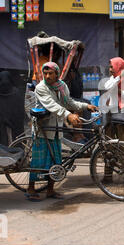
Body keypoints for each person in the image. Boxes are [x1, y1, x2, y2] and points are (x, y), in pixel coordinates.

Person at [26, 62, 97, 201]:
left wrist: (86, 106)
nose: (47, 76)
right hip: (43, 127)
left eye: (50, 73)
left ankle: (50, 190)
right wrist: (68, 115)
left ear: (57, 74)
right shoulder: (41, 88)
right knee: (38, 160)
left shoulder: (62, 86)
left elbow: (69, 102)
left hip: (56, 127)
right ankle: (30, 187)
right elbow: (52, 105)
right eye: (45, 73)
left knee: (56, 160)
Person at [0, 71, 25, 147]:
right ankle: (18, 151)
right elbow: (20, 108)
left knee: (1, 136)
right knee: (17, 135)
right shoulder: (16, 92)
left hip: (1, 120)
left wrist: (1, 118)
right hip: (15, 120)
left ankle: (3, 151)